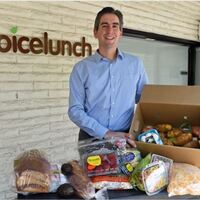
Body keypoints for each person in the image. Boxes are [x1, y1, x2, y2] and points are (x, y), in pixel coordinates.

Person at [68, 7, 148, 147]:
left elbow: (145, 101)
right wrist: (106, 133)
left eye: (115, 26)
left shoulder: (136, 64)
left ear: (121, 32)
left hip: (126, 138)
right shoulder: (81, 68)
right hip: (91, 139)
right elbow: (75, 110)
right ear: (95, 32)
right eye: (104, 26)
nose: (110, 31)